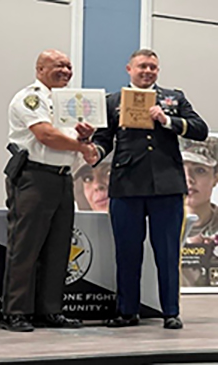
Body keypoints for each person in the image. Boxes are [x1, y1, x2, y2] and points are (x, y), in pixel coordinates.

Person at [89, 49, 208, 329]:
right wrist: (94, 152)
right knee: (127, 252)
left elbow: (200, 129)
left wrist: (168, 121)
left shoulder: (173, 98)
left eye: (153, 67)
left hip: (166, 185)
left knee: (167, 252)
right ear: (129, 68)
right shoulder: (112, 102)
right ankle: (127, 311)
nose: (148, 71)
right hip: (126, 185)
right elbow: (104, 140)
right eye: (142, 66)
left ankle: (170, 312)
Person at [0, 49, 96, 332]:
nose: (66, 71)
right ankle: (14, 312)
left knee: (58, 249)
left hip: (63, 178)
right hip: (34, 177)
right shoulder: (30, 98)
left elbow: (67, 136)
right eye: (59, 66)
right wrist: (82, 147)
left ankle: (50, 311)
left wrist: (84, 137)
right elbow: (45, 135)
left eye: (69, 66)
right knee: (25, 247)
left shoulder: (68, 102)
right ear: (40, 69)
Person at [180, 137, 218, 286]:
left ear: (215, 178)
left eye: (199, 170)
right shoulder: (152, 228)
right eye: (180, 170)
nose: (188, 179)